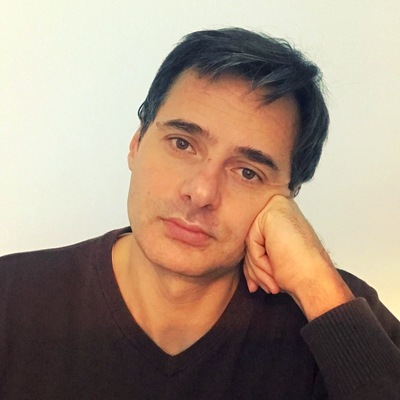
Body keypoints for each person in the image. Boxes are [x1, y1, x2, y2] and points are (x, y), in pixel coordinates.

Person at [0, 27, 399, 400]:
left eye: (247, 172)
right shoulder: (11, 295)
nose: (202, 192)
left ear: (288, 198)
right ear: (137, 143)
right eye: (182, 144)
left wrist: (316, 285)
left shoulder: (337, 309)